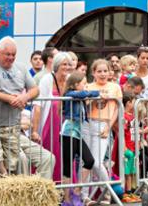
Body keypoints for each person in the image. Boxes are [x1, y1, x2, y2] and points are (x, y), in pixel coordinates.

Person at [0, 37, 54, 180]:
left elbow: (35, 90)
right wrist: (9, 98)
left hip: (12, 126)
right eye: (8, 54)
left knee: (13, 165)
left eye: (14, 55)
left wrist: (24, 98)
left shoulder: (21, 68)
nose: (11, 58)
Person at [60, 72, 99, 206]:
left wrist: (90, 94)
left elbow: (84, 95)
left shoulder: (80, 96)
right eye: (83, 83)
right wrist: (94, 92)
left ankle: (77, 190)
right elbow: (81, 94)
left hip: (77, 133)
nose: (86, 86)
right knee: (67, 166)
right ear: (76, 84)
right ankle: (67, 199)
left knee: (89, 160)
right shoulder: (70, 94)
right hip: (68, 133)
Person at [38, 51, 74, 183]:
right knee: (50, 155)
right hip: (50, 125)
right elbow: (38, 105)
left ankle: (66, 190)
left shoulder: (70, 79)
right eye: (64, 64)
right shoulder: (47, 79)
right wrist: (36, 130)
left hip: (66, 125)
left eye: (69, 64)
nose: (67, 67)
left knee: (66, 155)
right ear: (57, 65)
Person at [85, 59, 120, 196]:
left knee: (97, 163)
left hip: (104, 124)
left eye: (105, 71)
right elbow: (85, 104)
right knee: (86, 162)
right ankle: (85, 196)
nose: (102, 74)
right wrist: (94, 97)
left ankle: (108, 193)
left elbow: (117, 108)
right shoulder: (88, 86)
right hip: (88, 124)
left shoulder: (115, 87)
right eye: (99, 71)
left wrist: (108, 127)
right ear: (93, 73)